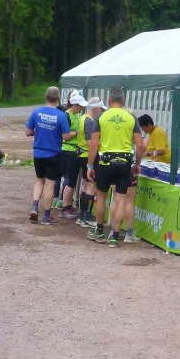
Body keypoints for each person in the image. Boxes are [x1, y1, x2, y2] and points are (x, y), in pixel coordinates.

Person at [86, 87, 145, 247]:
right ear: (123, 101)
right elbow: (140, 144)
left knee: (101, 196)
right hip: (124, 163)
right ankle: (115, 235)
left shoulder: (101, 117)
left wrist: (90, 165)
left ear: (109, 100)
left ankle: (99, 231)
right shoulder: (131, 118)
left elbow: (94, 144)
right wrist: (137, 163)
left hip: (105, 162)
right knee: (121, 199)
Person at [26, 86, 72, 225]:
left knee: (39, 180)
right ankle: (46, 216)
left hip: (38, 153)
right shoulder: (61, 115)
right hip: (53, 153)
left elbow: (28, 132)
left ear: (45, 97)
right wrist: (74, 133)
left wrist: (40, 131)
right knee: (50, 184)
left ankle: (34, 207)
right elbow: (66, 136)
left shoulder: (37, 112)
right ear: (58, 98)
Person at [76, 96, 106, 227]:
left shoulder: (83, 118)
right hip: (88, 156)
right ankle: (86, 217)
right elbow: (90, 143)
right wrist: (104, 143)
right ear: (96, 108)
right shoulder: (89, 122)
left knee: (86, 186)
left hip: (83, 154)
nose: (102, 112)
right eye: (101, 109)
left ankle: (82, 215)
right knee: (91, 187)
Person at [58, 92, 87, 219]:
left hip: (74, 150)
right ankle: (64, 208)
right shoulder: (67, 116)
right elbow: (65, 136)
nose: (82, 108)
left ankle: (68, 205)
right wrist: (78, 132)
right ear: (74, 105)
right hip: (68, 150)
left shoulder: (75, 115)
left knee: (73, 180)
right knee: (70, 180)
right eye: (80, 106)